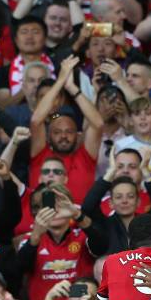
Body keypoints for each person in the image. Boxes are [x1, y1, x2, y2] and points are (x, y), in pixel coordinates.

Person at [16, 184, 107, 300]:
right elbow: (20, 268)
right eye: (49, 205)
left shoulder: (82, 235)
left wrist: (77, 214)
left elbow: (102, 246)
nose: (56, 210)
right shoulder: (31, 239)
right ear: (39, 211)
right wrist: (36, 235)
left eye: (61, 204)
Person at [29, 55, 104, 206]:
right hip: (42, 220)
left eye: (69, 132)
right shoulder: (40, 154)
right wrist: (61, 81)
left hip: (80, 225)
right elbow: (36, 121)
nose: (63, 136)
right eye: (57, 132)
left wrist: (71, 88)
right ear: (48, 137)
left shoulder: (85, 157)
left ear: (78, 135)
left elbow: (98, 124)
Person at [0, 15, 55, 109]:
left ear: (45, 39)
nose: (29, 37)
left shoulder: (58, 66)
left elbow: (65, 104)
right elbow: (1, 107)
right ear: (16, 40)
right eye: (24, 32)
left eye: (35, 32)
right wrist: (26, 89)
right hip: (16, 121)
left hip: (53, 118)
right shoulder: (4, 71)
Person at [114, 98, 151, 173]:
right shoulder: (121, 144)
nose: (143, 118)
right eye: (137, 114)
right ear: (130, 120)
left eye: (148, 114)